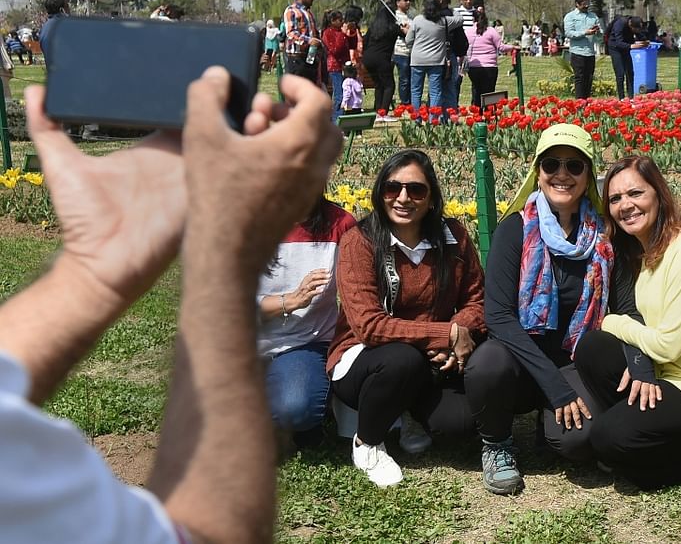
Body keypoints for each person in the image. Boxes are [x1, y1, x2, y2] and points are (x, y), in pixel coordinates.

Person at [0, 68, 342, 541]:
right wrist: (225, 242)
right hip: (263, 336)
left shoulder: (341, 223)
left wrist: (92, 267)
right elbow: (207, 531)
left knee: (294, 403)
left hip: (298, 347)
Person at [464, 124, 648, 495]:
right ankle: (497, 444)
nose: (562, 175)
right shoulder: (514, 229)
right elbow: (497, 315)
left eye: (574, 166)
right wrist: (554, 386)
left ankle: (548, 434)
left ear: (587, 176)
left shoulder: (605, 237)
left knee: (578, 442)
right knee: (487, 364)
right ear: (538, 171)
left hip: (573, 359)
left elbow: (626, 309)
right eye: (551, 165)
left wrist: (641, 361)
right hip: (518, 357)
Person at [573, 156, 681, 490]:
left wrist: (613, 322)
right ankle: (647, 435)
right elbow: (647, 329)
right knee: (593, 349)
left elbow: (669, 342)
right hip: (669, 371)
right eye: (615, 199)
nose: (626, 205)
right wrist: (633, 346)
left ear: (658, 194)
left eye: (635, 194)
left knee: (608, 437)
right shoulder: (641, 252)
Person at [330, 150, 485, 487]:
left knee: (460, 424)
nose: (402, 198)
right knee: (402, 360)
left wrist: (456, 331)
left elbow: (476, 301)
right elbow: (369, 326)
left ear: (431, 199)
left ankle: (409, 411)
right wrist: (444, 333)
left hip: (432, 359)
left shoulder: (453, 237)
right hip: (365, 359)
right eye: (392, 188)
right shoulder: (359, 241)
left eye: (416, 190)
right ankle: (367, 442)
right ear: (379, 191)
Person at [255, 196, 357, 450]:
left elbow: (358, 292)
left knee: (295, 408)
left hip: (304, 343)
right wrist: (289, 301)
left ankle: (298, 414)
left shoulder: (341, 224)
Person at [406, 0, 462, 120]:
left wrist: (413, 44)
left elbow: (408, 40)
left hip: (417, 61)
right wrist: (452, 9)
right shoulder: (444, 21)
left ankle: (416, 118)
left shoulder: (417, 20)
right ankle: (433, 119)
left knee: (415, 91)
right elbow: (460, 19)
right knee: (435, 91)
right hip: (436, 61)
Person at [464, 7, 511, 108]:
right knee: (489, 92)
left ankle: (477, 114)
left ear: (473, 19)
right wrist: (513, 47)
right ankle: (488, 115)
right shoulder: (491, 31)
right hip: (489, 66)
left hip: (473, 66)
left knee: (476, 91)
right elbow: (501, 47)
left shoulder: (468, 32)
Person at [363, 3, 402, 120]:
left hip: (368, 58)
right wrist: (404, 27)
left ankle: (378, 111)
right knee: (389, 85)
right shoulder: (393, 28)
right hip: (382, 59)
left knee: (379, 84)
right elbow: (406, 34)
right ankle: (383, 113)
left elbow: (365, 42)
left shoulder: (373, 27)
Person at [563, 0, 601, 99]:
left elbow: (600, 37)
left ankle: (587, 103)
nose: (586, 6)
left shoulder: (593, 16)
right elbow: (569, 33)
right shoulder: (570, 17)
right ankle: (580, 104)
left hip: (590, 53)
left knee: (589, 79)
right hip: (577, 53)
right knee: (579, 78)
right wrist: (585, 32)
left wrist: (598, 32)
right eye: (584, 3)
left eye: (588, 3)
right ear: (577, 4)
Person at [283, 0, 321, 84]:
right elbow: (291, 33)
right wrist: (309, 41)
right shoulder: (291, 11)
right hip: (297, 59)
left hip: (310, 57)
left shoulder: (309, 13)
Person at [608, 14, 649, 100]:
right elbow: (619, 43)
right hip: (615, 47)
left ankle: (631, 97)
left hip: (626, 47)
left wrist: (645, 41)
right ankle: (621, 98)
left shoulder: (635, 24)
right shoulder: (620, 24)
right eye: (635, 29)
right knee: (620, 74)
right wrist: (632, 46)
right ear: (631, 25)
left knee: (630, 72)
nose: (637, 31)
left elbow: (640, 35)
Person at [321, 10, 350, 120]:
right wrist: (342, 35)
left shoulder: (340, 32)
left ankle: (342, 117)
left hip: (344, 66)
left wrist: (349, 33)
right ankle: (337, 119)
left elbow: (351, 45)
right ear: (332, 21)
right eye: (340, 20)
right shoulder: (328, 33)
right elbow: (335, 50)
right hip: (334, 67)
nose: (342, 22)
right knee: (339, 94)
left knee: (346, 92)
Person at [392, 0, 414, 108]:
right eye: (405, 0)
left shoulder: (410, 17)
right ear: (398, 2)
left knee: (410, 78)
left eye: (409, 0)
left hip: (411, 51)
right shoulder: (395, 16)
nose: (408, 2)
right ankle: (405, 102)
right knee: (404, 79)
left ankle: (409, 100)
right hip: (400, 51)